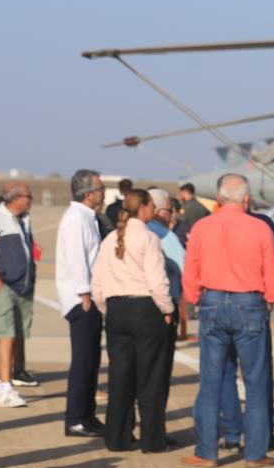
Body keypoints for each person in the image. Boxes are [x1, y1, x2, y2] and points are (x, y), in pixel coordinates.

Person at [181, 173, 274, 468]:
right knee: (255, 380)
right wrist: (270, 298)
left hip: (212, 302)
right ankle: (255, 453)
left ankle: (206, 451)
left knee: (211, 380)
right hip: (249, 302)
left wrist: (196, 298)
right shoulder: (259, 228)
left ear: (220, 199)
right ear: (246, 199)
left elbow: (191, 269)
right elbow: (272, 271)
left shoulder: (201, 227)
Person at [91, 189, 175, 452]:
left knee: (120, 376)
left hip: (116, 310)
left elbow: (97, 283)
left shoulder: (110, 239)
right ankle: (152, 440)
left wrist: (107, 308)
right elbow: (157, 281)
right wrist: (167, 308)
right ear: (145, 208)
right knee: (150, 377)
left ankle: (117, 437)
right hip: (145, 308)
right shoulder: (148, 238)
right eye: (151, 205)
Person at [217, 208, 274, 452]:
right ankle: (262, 437)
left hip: (217, 304)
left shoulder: (209, 224)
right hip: (253, 303)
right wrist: (271, 298)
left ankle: (231, 434)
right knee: (258, 375)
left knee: (224, 371)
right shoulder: (262, 223)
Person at [57, 170, 106, 434]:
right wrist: (85, 295)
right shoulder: (76, 219)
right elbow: (77, 259)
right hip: (81, 301)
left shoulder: (87, 217)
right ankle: (75, 418)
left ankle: (87, 415)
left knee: (92, 360)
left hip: (90, 299)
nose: (103, 192)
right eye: (100, 188)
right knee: (83, 361)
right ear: (88, 194)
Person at [0, 181, 37, 408]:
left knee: (13, 336)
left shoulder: (23, 221)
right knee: (6, 334)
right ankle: (4, 387)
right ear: (16, 198)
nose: (31, 200)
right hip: (5, 288)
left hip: (22, 288)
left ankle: (6, 381)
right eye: (28, 196)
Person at [147, 189, 186, 393]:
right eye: (171, 210)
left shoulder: (129, 231)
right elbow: (185, 267)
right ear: (160, 211)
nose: (173, 215)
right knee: (160, 366)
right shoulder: (166, 236)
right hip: (164, 307)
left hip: (134, 306)